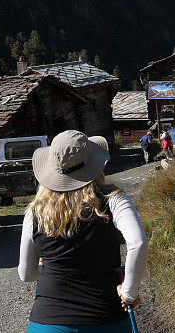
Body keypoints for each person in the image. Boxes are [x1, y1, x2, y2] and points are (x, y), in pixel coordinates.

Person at [18, 130, 148, 333]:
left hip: (48, 322)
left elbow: (26, 274)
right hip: (105, 318)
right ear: (95, 165)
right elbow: (138, 243)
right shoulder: (114, 200)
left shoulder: (35, 213)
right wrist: (129, 292)